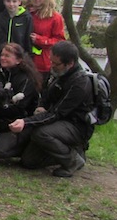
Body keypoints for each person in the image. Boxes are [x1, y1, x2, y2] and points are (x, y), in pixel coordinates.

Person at [10, 41, 94, 178]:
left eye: (56, 64)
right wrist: (41, 106)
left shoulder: (80, 83)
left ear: (70, 63)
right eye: (51, 62)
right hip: (57, 120)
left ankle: (72, 160)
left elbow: (57, 113)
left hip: (75, 125)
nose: (52, 66)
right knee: (29, 161)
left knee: (41, 133)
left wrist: (26, 122)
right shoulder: (58, 73)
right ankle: (64, 152)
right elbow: (45, 94)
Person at [26, 0, 65, 83]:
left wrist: (40, 40)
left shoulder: (55, 17)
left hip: (43, 64)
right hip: (25, 62)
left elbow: (60, 41)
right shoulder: (25, 13)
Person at [0, 0, 32, 67]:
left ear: (19, 2)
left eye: (14, 1)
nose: (11, 4)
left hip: (19, 57)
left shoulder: (26, 17)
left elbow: (28, 40)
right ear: (4, 2)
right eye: (8, 1)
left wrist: (28, 59)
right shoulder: (0, 17)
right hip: (2, 57)